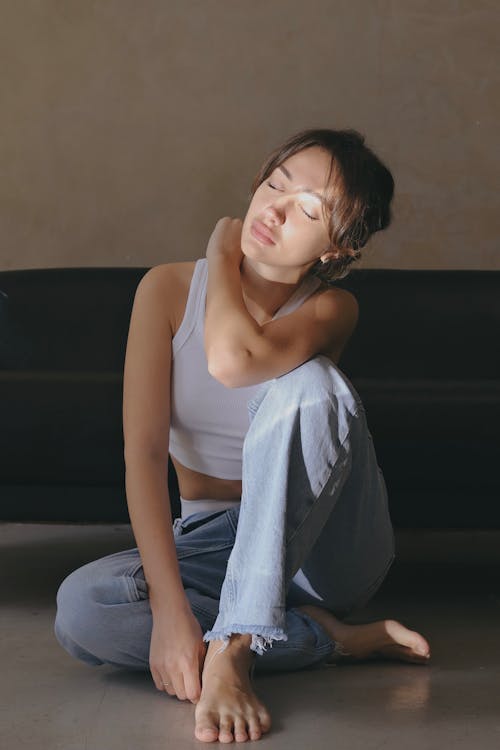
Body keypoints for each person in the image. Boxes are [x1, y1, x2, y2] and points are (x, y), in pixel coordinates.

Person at [54, 128, 431, 743]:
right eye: (275, 184)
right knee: (83, 611)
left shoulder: (331, 309)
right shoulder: (168, 290)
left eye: (308, 209)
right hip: (210, 540)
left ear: (337, 249)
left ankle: (235, 645)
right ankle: (324, 639)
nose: (274, 209)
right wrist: (172, 615)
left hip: (322, 548)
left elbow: (234, 359)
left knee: (310, 385)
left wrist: (220, 250)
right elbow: (144, 457)